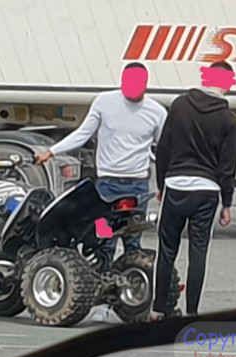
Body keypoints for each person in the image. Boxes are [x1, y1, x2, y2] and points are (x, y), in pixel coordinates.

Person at [35, 62, 167, 321]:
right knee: (103, 239)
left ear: (146, 84)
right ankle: (100, 303)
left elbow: (163, 149)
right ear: (121, 82)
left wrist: (163, 184)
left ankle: (134, 304)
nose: (132, 91)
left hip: (138, 188)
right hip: (106, 186)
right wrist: (51, 151)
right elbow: (83, 133)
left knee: (133, 242)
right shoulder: (105, 102)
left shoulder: (157, 112)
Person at [151, 60, 236, 320]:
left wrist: (160, 185)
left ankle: (158, 309)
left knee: (167, 249)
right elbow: (228, 166)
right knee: (198, 250)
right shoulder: (229, 120)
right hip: (206, 190)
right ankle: (191, 311)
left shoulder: (180, 106)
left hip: (175, 184)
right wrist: (227, 203)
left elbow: (164, 147)